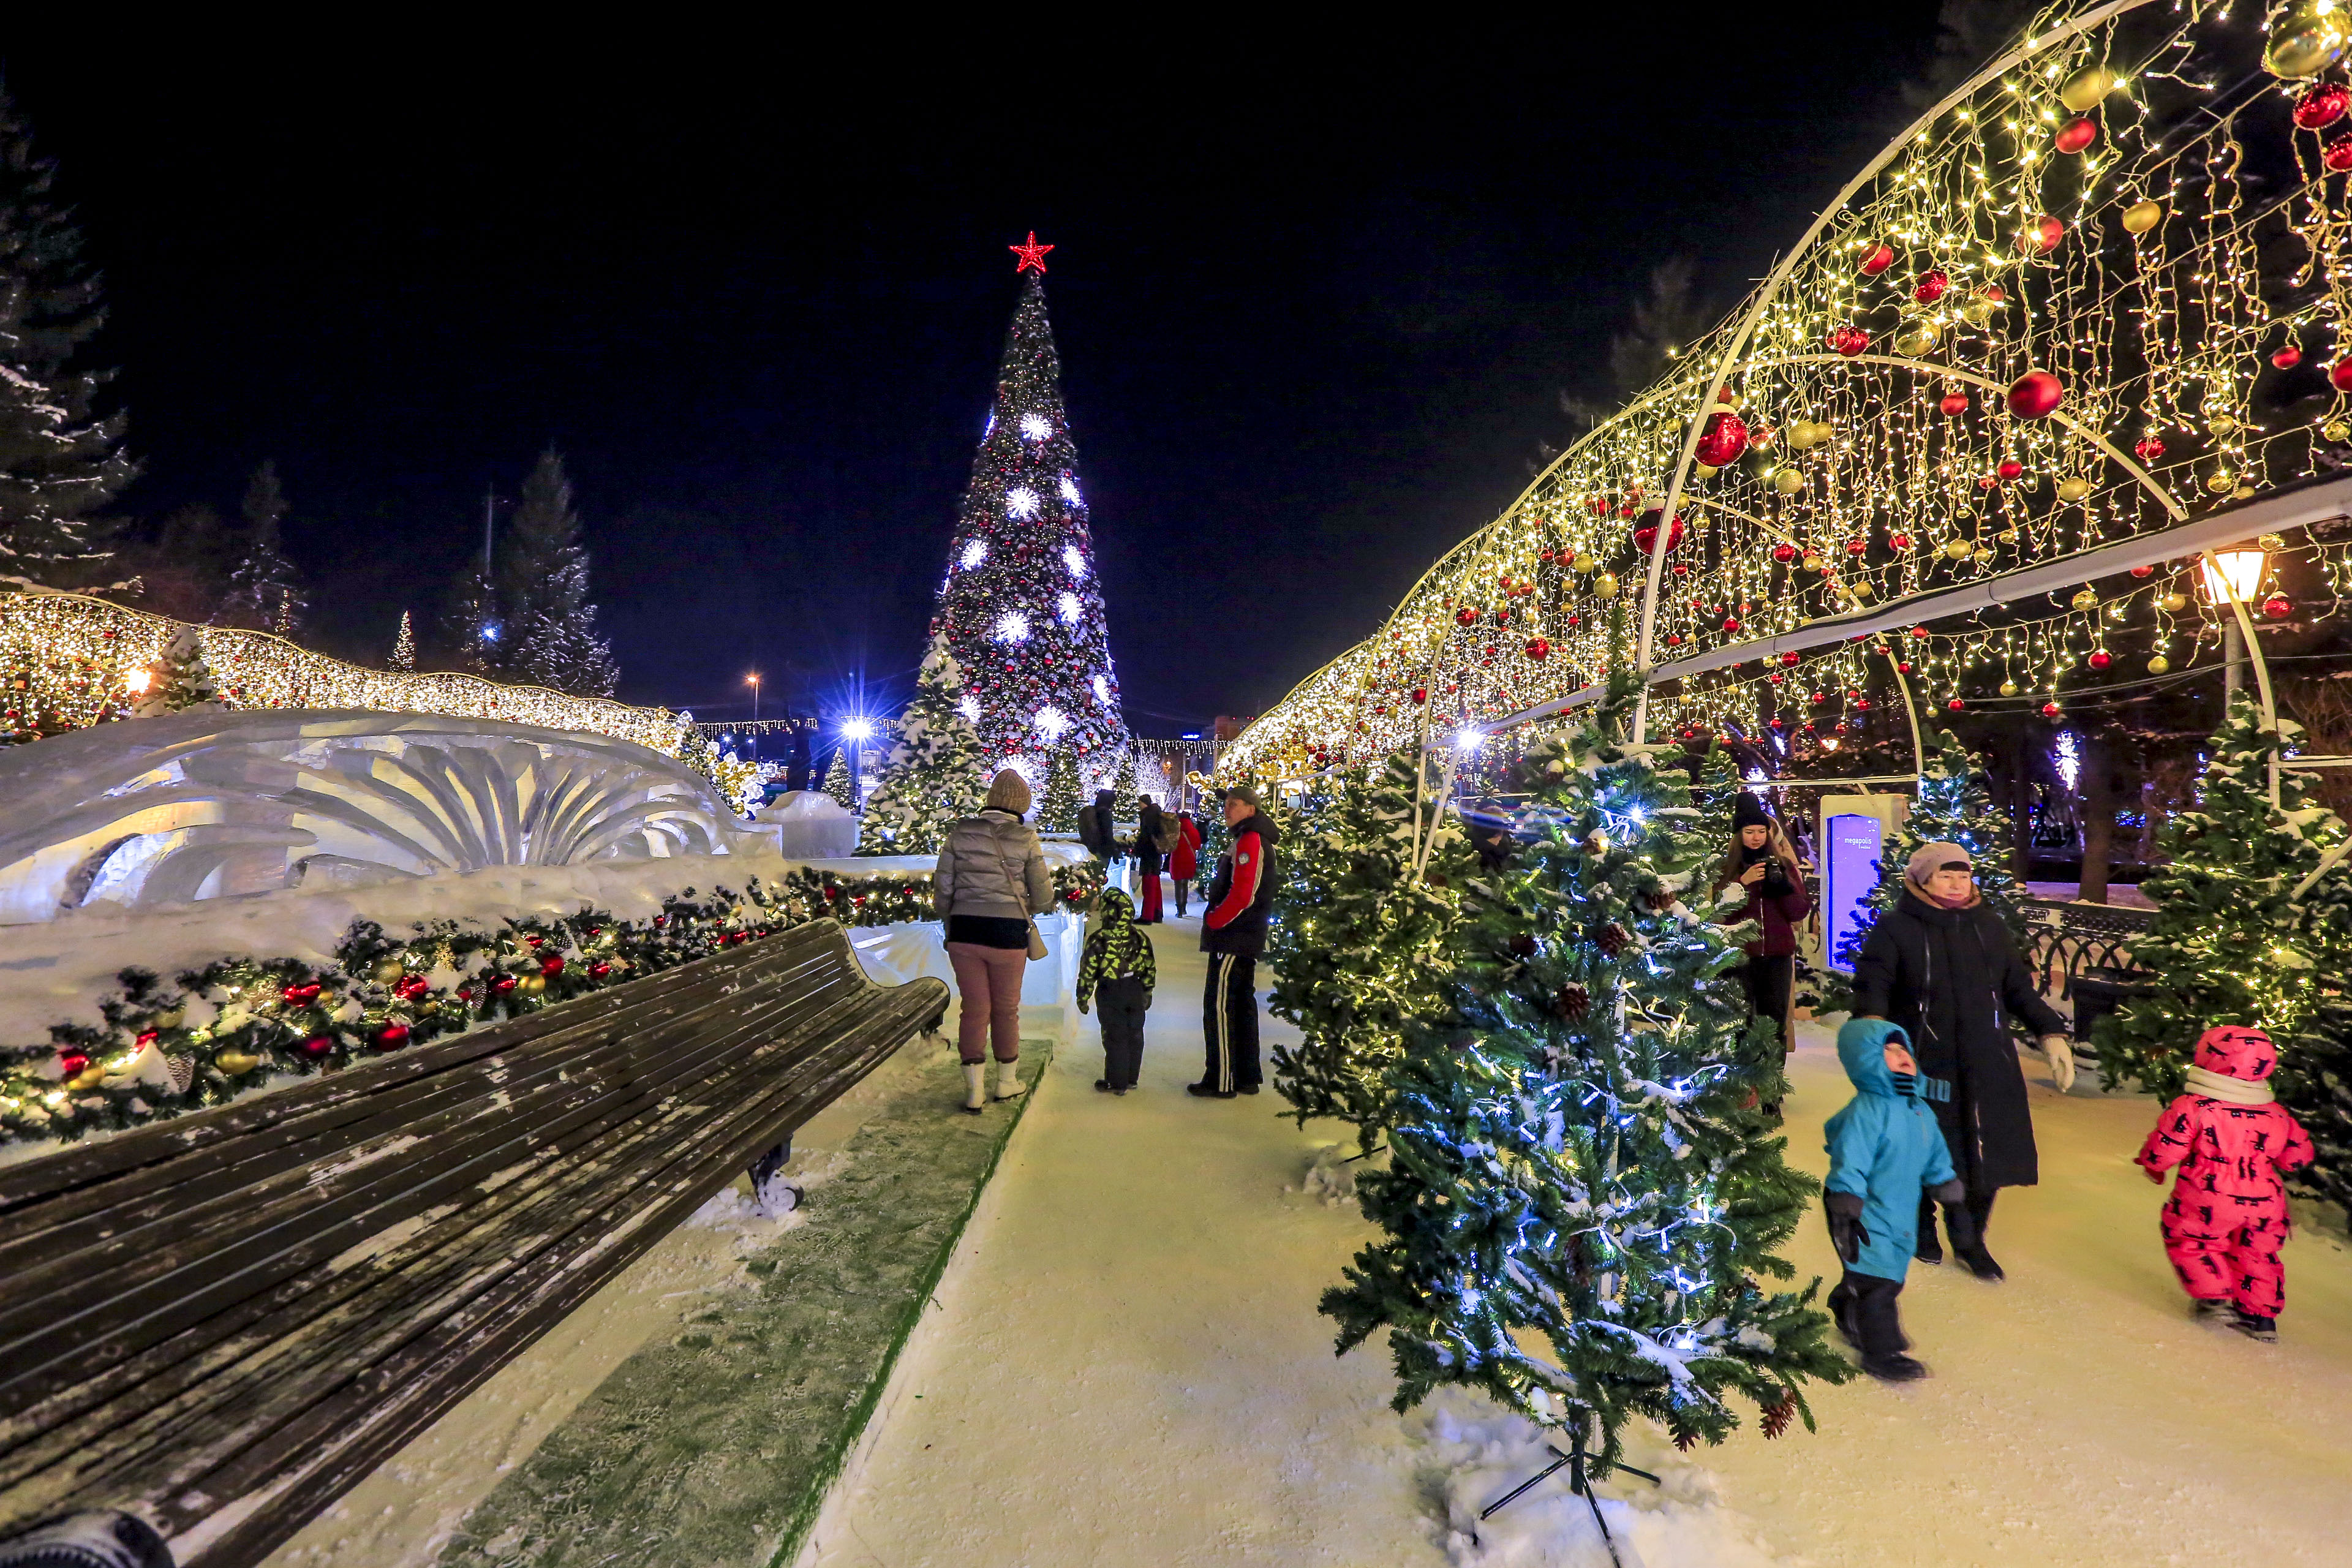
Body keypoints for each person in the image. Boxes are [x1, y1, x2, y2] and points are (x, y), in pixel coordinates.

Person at [1851, 840, 2073, 1278]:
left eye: (1963, 875)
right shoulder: (1897, 928)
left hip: (1987, 1057)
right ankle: (1921, 1224)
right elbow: (1873, 984)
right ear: (1923, 879)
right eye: (1945, 876)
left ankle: (1971, 1238)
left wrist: (2050, 1031)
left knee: (1986, 1151)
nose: (1956, 885)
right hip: (1921, 1058)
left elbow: (2016, 990)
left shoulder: (1987, 926)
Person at [2136, 1025, 2315, 1343]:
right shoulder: (2276, 1113)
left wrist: (2153, 1164)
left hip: (2208, 1194)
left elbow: (2168, 1144)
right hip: (2265, 1199)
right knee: (2258, 1253)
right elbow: (2297, 1157)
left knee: (2192, 1238)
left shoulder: (2193, 1106)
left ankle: (2214, 1297)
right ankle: (2260, 1318)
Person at [1823, 1018, 1975, 1382]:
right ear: (1867, 1061)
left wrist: (1944, 1181)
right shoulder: (1867, 1110)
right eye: (1887, 1051)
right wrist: (1846, 1197)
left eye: (1902, 1048)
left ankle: (1846, 1302)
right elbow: (1851, 1156)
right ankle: (1883, 1353)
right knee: (1881, 1283)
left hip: (1897, 1207)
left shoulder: (1919, 1110)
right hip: (1857, 1206)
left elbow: (1934, 1151)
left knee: (1886, 1268)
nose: (1900, 1055)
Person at [933, 769, 1054, 1114]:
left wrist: (954, 913)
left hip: (965, 932)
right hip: (1007, 933)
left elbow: (943, 889)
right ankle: (1005, 1082)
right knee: (1006, 1009)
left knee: (974, 1009)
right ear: (1021, 806)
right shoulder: (1026, 838)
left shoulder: (959, 833)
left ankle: (973, 1090)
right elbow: (1043, 895)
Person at [1195, 785, 1278, 1098]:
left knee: (1220, 1006)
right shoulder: (1247, 838)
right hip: (1241, 937)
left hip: (1234, 937)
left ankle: (1221, 1079)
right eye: (1227, 804)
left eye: (1236, 804)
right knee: (1240, 1003)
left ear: (1251, 810)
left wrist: (1215, 920)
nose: (1228, 809)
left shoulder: (1251, 840)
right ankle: (1244, 1076)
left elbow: (1244, 894)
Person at [1717, 793, 1810, 1055]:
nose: (1756, 837)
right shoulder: (1726, 868)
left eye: (1761, 831)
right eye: (1749, 831)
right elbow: (1716, 914)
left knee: (1773, 1023)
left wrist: (1782, 888)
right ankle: (1743, 1089)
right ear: (1739, 835)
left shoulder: (1784, 865)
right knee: (1739, 1023)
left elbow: (1799, 912)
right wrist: (1740, 884)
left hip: (1777, 956)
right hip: (1739, 956)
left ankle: (1771, 1089)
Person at [1077, 886, 1156, 1093]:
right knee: (1135, 1034)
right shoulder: (1140, 937)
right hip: (1135, 989)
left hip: (1109, 991)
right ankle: (1131, 1078)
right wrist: (1148, 989)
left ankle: (1116, 1081)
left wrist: (1083, 996)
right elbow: (1149, 965)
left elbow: (1088, 970)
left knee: (1115, 1036)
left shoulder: (1098, 940)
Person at [1135, 798, 1170, 924]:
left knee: (1149, 885)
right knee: (1155, 885)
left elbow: (1146, 837)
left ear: (1144, 803)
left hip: (1149, 855)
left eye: (1140, 803)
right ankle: (1157, 913)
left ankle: (1147, 916)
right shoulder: (1155, 814)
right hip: (1156, 855)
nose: (1139, 805)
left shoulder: (1148, 816)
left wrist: (1137, 850)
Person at [1168, 809, 1202, 917]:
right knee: (1185, 884)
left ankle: (1179, 910)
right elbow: (1197, 846)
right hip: (1189, 860)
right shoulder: (1194, 831)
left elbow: (1170, 845)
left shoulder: (1175, 831)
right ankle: (1184, 908)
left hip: (1177, 860)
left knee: (1177, 884)